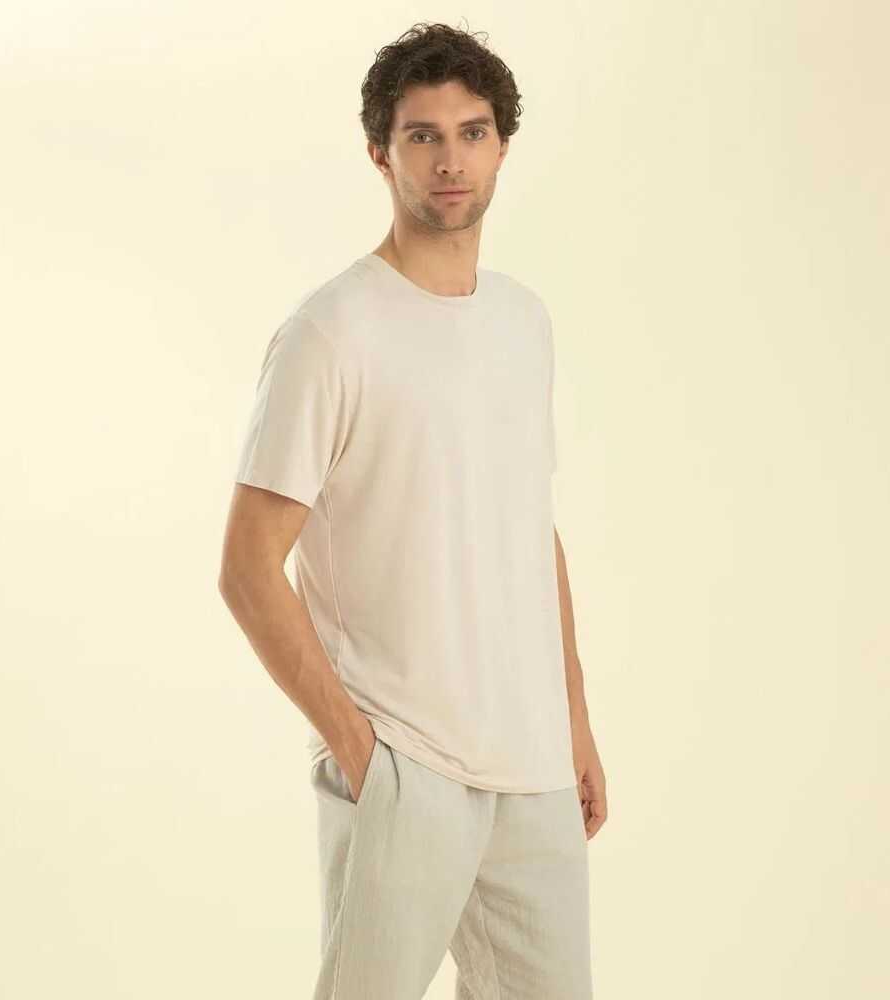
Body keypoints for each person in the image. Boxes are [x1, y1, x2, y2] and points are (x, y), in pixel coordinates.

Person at [218, 21, 607, 1000]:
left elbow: (530, 531)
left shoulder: (523, 321)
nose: (449, 161)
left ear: (503, 146)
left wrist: (573, 721)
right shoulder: (331, 332)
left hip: (532, 769)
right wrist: (361, 751)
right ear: (379, 152)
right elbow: (248, 566)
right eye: (422, 135)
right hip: (406, 761)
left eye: (472, 134)